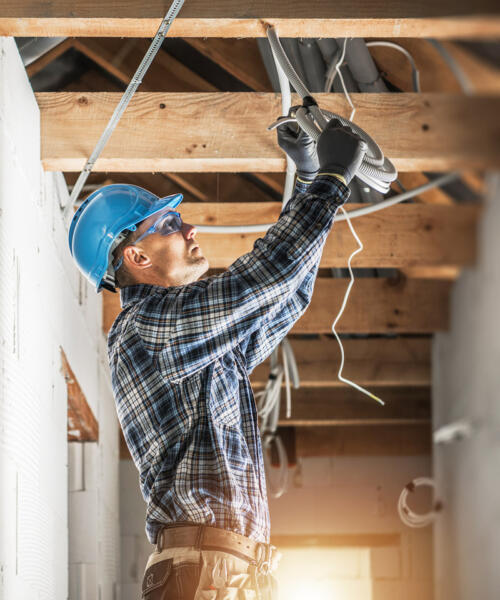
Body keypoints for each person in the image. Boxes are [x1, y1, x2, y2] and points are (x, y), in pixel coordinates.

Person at [68, 118, 366, 599]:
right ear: (137, 258)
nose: (188, 228)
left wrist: (314, 181)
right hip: (209, 574)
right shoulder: (147, 330)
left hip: (220, 571)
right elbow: (265, 278)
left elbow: (287, 294)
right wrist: (329, 180)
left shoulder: (192, 340)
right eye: (167, 225)